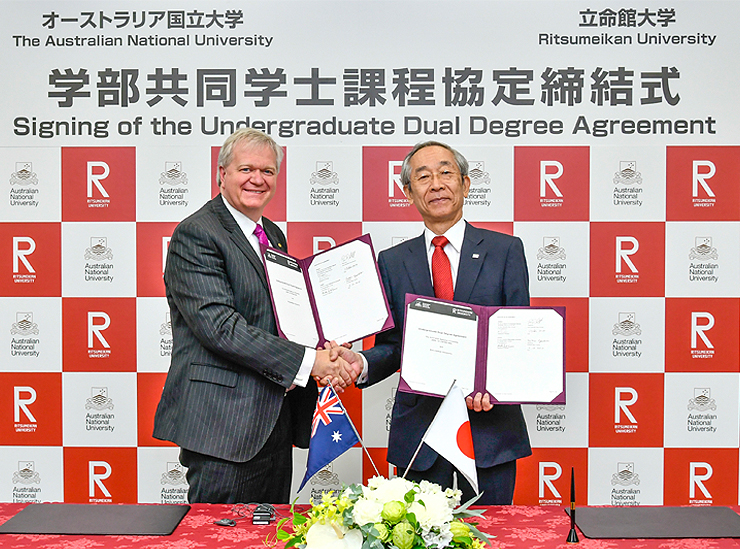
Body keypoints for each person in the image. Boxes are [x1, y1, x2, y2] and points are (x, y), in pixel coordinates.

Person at [153, 128, 355, 504]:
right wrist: (312, 361)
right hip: (223, 428)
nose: (258, 179)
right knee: (221, 538)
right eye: (247, 169)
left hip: (272, 418)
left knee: (270, 535)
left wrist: (320, 345)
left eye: (268, 171)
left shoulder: (271, 234)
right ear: (222, 173)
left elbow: (279, 317)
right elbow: (220, 328)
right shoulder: (196, 233)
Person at [335, 141, 532, 504]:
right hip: (419, 437)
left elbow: (516, 342)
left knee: (492, 540)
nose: (436, 184)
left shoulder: (506, 251)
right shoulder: (393, 261)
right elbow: (393, 347)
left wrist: (497, 389)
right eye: (423, 177)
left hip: (489, 434)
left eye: (445, 173)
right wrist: (360, 363)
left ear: (466, 184)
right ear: (408, 193)